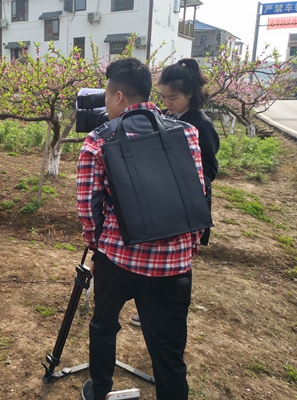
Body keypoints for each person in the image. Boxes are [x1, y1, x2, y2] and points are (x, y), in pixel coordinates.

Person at [77, 57, 205, 400]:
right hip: (174, 265)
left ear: (118, 96)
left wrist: (96, 246)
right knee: (169, 351)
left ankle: (100, 390)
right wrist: (188, 248)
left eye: (107, 94)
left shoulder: (98, 140)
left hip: (118, 258)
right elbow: (197, 195)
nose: (105, 101)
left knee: (103, 326)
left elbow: (87, 207)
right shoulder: (186, 133)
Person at [130, 58, 220, 328]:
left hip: (184, 204)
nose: (167, 103)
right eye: (163, 97)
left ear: (190, 94)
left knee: (177, 266)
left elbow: (209, 168)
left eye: (173, 97)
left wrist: (181, 180)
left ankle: (166, 316)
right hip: (163, 199)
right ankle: (151, 311)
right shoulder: (168, 118)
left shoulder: (200, 124)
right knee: (157, 259)